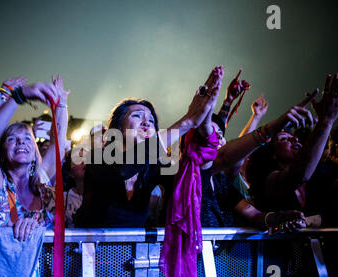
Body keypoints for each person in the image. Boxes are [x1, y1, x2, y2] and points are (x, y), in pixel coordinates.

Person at [74, 66, 226, 228]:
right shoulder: (98, 157)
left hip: (134, 251)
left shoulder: (154, 166)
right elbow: (123, 169)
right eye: (137, 115)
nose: (146, 122)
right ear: (118, 128)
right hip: (88, 250)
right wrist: (186, 122)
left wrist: (204, 122)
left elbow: (190, 187)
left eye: (152, 121)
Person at [0, 75, 69, 241]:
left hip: (46, 267)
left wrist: (61, 102)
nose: (20, 141)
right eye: (11, 139)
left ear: (34, 150)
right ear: (1, 152)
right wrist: (17, 96)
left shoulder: (42, 183)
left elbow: (59, 141)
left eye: (27, 138)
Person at [247, 73, 338, 226]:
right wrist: (326, 121)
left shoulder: (318, 173)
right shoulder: (263, 175)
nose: (294, 139)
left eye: (294, 137)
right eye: (284, 139)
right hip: (277, 248)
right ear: (273, 154)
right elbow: (296, 176)